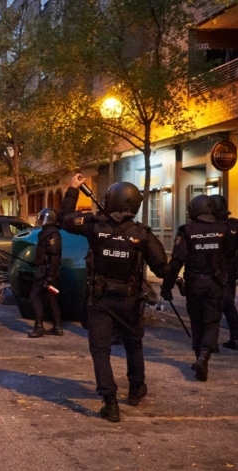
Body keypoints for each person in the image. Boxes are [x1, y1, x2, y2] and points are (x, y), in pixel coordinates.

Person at [60, 173, 168, 422]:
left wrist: (73, 189)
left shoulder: (94, 225)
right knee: (133, 344)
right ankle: (135, 389)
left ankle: (110, 403)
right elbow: (162, 266)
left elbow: (65, 220)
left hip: (101, 299)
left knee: (100, 350)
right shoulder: (142, 234)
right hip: (130, 301)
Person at [161, 195, 231, 382]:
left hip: (194, 284)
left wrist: (167, 287)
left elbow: (176, 262)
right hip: (215, 284)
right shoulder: (223, 229)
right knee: (212, 322)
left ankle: (199, 358)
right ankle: (204, 357)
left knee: (197, 321)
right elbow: (231, 256)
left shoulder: (187, 231)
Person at [211, 194, 238, 351]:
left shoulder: (212, 227)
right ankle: (235, 338)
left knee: (212, 305)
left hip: (214, 269)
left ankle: (213, 341)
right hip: (230, 270)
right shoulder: (236, 225)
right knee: (228, 304)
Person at [28, 207, 63, 337]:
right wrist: (37, 262)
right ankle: (57, 327)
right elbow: (45, 254)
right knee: (51, 298)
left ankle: (39, 326)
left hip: (47, 272)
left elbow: (54, 257)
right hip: (46, 270)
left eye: (43, 218)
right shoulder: (48, 233)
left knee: (34, 296)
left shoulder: (51, 235)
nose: (41, 220)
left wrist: (49, 277)